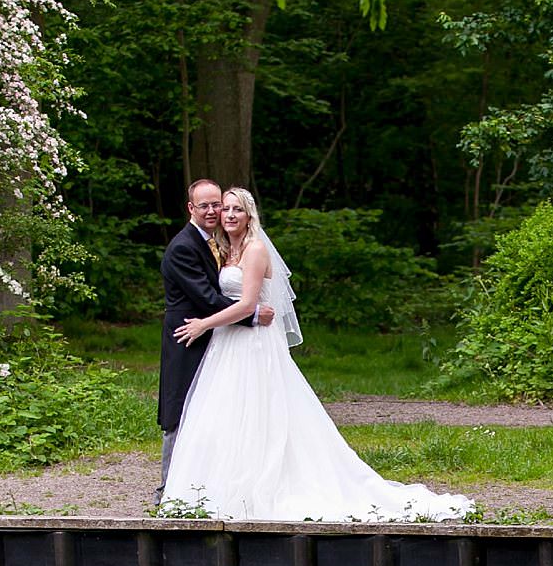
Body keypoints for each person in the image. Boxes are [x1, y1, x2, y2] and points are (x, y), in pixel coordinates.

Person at [161, 188, 473, 522]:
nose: (229, 215)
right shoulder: (225, 250)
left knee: (259, 411)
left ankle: (261, 488)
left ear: (250, 215)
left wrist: (204, 324)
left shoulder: (253, 249)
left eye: (237, 209)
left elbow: (249, 304)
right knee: (227, 414)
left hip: (251, 343)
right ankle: (218, 486)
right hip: (227, 344)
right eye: (225, 209)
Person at [158, 179, 273, 501]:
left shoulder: (226, 244)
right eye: (205, 205)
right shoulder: (184, 246)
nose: (214, 211)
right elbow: (208, 297)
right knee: (180, 411)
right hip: (189, 335)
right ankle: (168, 489)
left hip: (221, 337)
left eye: (217, 205)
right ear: (190, 208)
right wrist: (251, 315)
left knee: (224, 410)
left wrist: (244, 313)